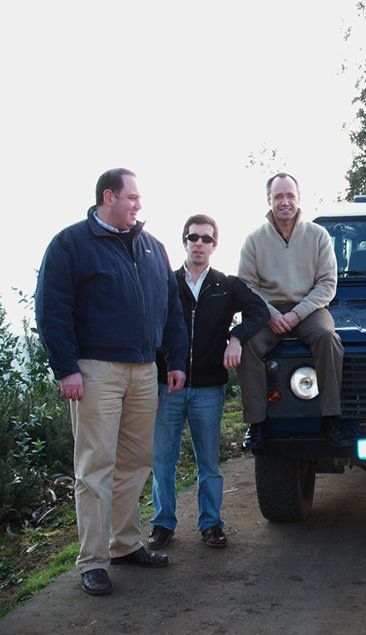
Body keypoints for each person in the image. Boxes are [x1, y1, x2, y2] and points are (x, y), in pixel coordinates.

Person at [35, 168, 188, 596]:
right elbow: (52, 308)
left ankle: (124, 544)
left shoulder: (153, 247)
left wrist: (176, 359)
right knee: (95, 467)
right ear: (108, 197)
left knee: (136, 462)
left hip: (145, 369)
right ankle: (93, 560)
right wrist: (66, 367)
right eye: (132, 197)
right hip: (95, 369)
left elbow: (171, 310)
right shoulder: (71, 244)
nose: (139, 204)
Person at [148, 215, 269, 551]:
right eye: (193, 237)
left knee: (208, 464)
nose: (199, 244)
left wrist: (236, 337)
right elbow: (150, 323)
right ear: (184, 241)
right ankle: (162, 524)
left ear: (215, 245)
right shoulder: (167, 283)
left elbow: (259, 312)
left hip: (209, 388)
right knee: (163, 461)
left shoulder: (226, 285)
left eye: (206, 238)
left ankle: (211, 524)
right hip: (168, 386)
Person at [237, 172, 350, 448]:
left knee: (328, 339)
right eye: (278, 196)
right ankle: (257, 422)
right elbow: (246, 286)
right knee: (247, 345)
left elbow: (327, 284)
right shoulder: (254, 240)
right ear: (269, 200)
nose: (284, 202)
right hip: (268, 311)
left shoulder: (318, 236)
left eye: (290, 195)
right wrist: (271, 314)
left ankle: (331, 417)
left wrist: (297, 313)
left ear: (299, 199)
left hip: (309, 309)